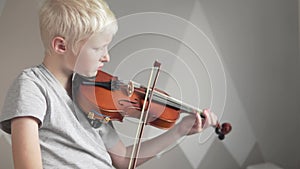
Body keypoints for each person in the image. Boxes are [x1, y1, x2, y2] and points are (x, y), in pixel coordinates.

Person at [0, 0, 218, 168]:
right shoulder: (32, 86)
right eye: (98, 48)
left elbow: (123, 160)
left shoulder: (93, 95)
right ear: (60, 46)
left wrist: (179, 130)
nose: (107, 57)